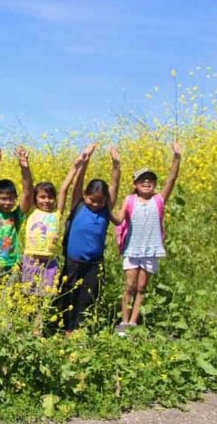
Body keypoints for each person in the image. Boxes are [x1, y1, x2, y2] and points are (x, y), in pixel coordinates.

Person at [114, 142, 182, 335]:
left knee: (142, 288)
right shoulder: (129, 200)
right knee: (130, 286)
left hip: (151, 249)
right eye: (142, 179)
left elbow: (171, 179)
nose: (146, 182)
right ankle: (124, 322)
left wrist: (177, 157)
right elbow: (119, 219)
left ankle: (133, 323)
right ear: (135, 184)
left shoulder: (159, 200)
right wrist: (106, 214)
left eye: (150, 179)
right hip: (132, 249)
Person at [57, 144, 121, 333]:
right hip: (72, 263)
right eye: (92, 199)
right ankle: (66, 329)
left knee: (88, 298)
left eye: (100, 201)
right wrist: (84, 161)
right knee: (68, 297)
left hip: (94, 265)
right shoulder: (78, 205)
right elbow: (78, 181)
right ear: (85, 195)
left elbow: (115, 186)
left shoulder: (105, 210)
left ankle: (79, 332)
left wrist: (116, 165)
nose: (95, 203)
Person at [21, 153, 84, 296]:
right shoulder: (31, 211)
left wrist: (76, 165)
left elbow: (64, 189)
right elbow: (28, 188)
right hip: (31, 260)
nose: (46, 200)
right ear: (35, 198)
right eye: (42, 197)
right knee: (28, 296)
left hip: (49, 263)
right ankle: (29, 318)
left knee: (45, 297)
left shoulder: (57, 213)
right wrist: (25, 166)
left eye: (50, 197)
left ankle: (40, 319)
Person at [0, 146, 33, 274]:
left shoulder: (16, 216)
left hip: (11, 266)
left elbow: (27, 192)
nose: (8, 202)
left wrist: (25, 167)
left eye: (11, 199)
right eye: (3, 198)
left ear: (16, 199)